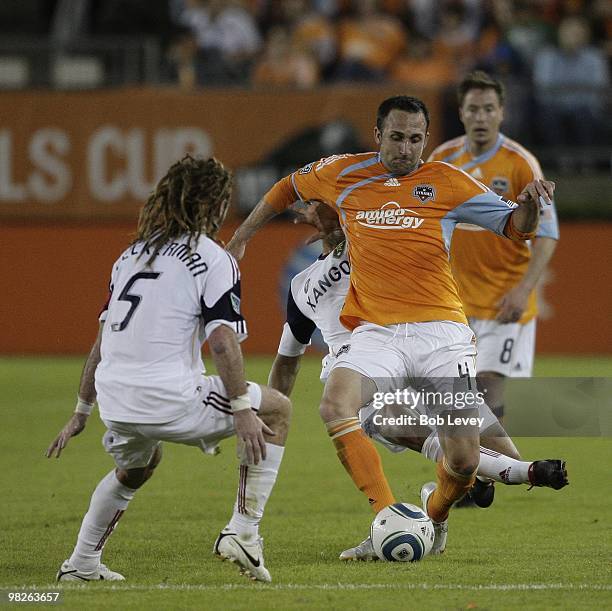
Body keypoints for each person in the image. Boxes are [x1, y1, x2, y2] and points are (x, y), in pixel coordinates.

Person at [227, 95, 554, 555]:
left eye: (416, 139)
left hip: (441, 333)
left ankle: (434, 512)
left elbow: (515, 227)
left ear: (426, 139)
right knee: (335, 405)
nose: (406, 149)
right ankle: (387, 513)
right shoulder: (342, 173)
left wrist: (530, 204)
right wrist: (242, 237)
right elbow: (286, 188)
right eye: (397, 138)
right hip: (377, 333)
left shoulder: (447, 181)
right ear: (378, 135)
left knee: (464, 460)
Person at [268, 204, 567, 559]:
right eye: (319, 211)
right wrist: (269, 411)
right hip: (366, 374)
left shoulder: (383, 244)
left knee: (487, 457)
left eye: (333, 209)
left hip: (428, 358)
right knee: (398, 422)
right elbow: (287, 359)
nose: (326, 217)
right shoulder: (302, 285)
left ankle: (436, 508)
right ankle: (519, 474)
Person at [46, 155, 291, 583]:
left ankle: (81, 565)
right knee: (276, 410)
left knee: (136, 468)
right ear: (215, 206)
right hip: (170, 398)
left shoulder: (131, 256)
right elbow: (221, 340)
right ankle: (244, 532)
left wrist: (82, 410)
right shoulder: (214, 259)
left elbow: (103, 340)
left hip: (115, 400)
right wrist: (241, 408)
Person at [428, 71, 559, 438]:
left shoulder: (521, 163)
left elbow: (547, 234)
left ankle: (483, 476)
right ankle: (477, 471)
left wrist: (523, 290)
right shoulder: (443, 159)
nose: (480, 117)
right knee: (455, 395)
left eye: (488, 109)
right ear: (461, 112)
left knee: (486, 387)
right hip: (455, 301)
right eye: (473, 109)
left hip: (504, 299)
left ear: (501, 112)